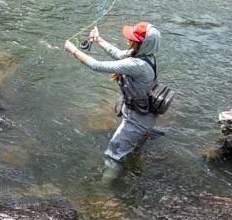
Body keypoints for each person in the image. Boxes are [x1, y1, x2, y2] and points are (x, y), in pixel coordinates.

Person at [64, 21, 162, 162]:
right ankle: (138, 147)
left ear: (141, 44)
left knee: (112, 156)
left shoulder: (137, 65)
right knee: (130, 150)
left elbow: (97, 65)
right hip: (145, 115)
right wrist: (98, 40)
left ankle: (106, 183)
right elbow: (118, 54)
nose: (128, 38)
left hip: (137, 121)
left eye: (132, 38)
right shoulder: (147, 56)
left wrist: (73, 50)